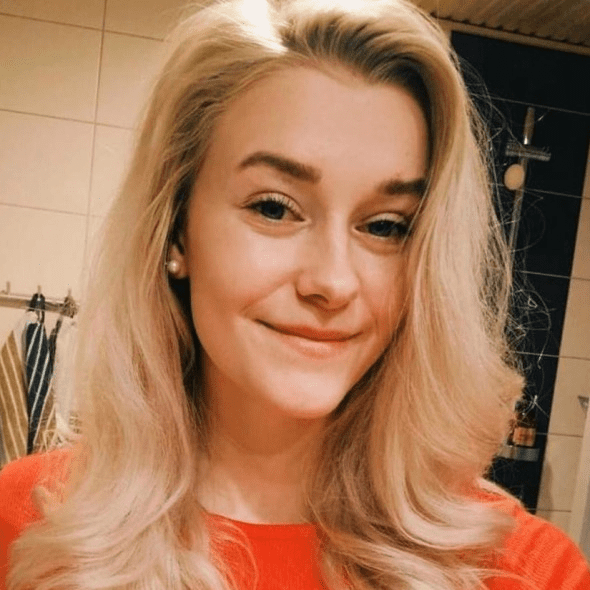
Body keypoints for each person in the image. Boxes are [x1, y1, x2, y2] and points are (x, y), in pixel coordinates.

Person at [1, 0, 589, 588]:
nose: (333, 282)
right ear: (177, 230)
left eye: (385, 225)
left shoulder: (525, 571)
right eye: (274, 208)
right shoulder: (29, 526)